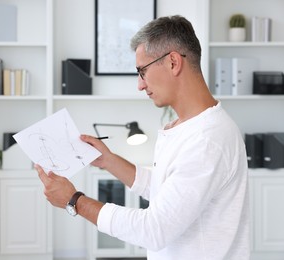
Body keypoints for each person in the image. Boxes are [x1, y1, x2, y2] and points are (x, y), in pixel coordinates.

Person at [35, 15, 250, 259]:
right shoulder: (184, 126)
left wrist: (74, 200)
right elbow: (163, 189)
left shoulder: (208, 140)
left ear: (172, 62)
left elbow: (154, 229)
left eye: (142, 71)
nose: (140, 84)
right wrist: (108, 160)